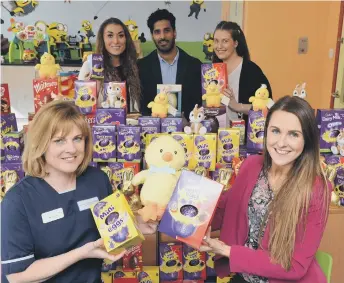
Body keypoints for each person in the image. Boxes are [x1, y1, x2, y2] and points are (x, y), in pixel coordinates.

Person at [0, 101, 154, 283]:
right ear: (40, 144)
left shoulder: (97, 181)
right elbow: (17, 275)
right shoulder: (18, 200)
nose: (71, 149)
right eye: (59, 141)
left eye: (77, 138)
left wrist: (143, 223)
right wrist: (82, 253)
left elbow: (113, 226)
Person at [200, 96, 331, 283]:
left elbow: (293, 266)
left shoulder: (318, 189)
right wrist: (175, 213)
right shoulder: (251, 166)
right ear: (266, 132)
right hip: (243, 276)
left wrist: (227, 251)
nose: (281, 142)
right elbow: (224, 209)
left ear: (307, 140)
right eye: (275, 131)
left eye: (294, 134)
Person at [138, 9, 202, 120]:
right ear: (152, 35)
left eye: (166, 30)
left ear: (174, 32)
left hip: (186, 132)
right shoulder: (141, 67)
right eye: (157, 32)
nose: (162, 36)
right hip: (153, 132)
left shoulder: (195, 66)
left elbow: (199, 104)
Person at [212, 21, 272, 126]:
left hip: (243, 137)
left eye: (225, 41)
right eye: (216, 41)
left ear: (235, 43)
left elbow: (268, 107)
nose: (219, 46)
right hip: (213, 136)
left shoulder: (252, 71)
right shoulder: (210, 71)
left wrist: (236, 106)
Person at [78, 18, 141, 113]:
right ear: (102, 39)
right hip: (101, 124)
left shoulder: (134, 66)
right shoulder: (89, 66)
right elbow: (81, 108)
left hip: (128, 126)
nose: (116, 41)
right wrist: (92, 88)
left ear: (126, 39)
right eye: (110, 35)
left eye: (120, 35)